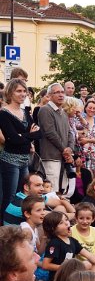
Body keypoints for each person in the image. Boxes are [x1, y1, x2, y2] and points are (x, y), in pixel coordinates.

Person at [0, 79, 41, 215]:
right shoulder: (4, 113)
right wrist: (29, 135)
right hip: (9, 160)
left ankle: (16, 224)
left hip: (24, 160)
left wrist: (24, 136)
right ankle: (5, 228)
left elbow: (39, 133)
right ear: (10, 93)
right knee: (9, 197)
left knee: (22, 196)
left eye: (24, 91)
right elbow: (12, 139)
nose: (23, 94)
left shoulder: (25, 112)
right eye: (19, 91)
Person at [37, 82, 75, 194]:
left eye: (62, 92)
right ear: (49, 95)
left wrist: (70, 149)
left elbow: (70, 133)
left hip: (64, 157)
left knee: (62, 190)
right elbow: (50, 133)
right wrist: (65, 150)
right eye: (57, 92)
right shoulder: (45, 110)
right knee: (51, 191)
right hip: (51, 157)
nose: (61, 95)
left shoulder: (63, 112)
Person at [79, 98, 95, 176]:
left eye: (94, 108)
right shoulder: (79, 120)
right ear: (85, 108)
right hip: (81, 151)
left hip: (93, 152)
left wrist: (87, 140)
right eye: (90, 108)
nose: (92, 110)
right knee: (84, 174)